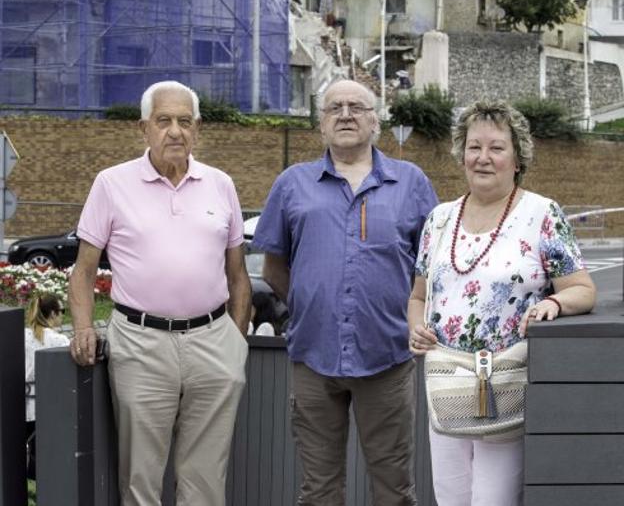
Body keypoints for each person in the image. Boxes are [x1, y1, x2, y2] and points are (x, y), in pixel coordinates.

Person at [253, 79, 438, 506]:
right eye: (334, 107)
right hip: (314, 356)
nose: (346, 114)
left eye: (357, 106)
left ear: (376, 121)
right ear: (321, 124)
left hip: (387, 356)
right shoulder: (292, 184)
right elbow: (275, 267)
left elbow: (431, 266)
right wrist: (312, 305)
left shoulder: (410, 182)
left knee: (394, 487)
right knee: (318, 489)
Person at [68, 80, 251, 506]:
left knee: (206, 478)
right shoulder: (111, 184)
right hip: (141, 342)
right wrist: (81, 330)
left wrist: (236, 344)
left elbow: (238, 274)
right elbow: (83, 271)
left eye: (185, 122)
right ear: (143, 128)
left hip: (213, 343)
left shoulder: (221, 184)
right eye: (163, 120)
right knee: (140, 476)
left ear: (198, 129)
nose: (175, 131)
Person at [408, 100, 596, 506]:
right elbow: (419, 295)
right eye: (474, 147)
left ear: (517, 158)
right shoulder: (438, 219)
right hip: (447, 384)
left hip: (508, 383)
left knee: (493, 501)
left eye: (496, 147)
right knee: (450, 499)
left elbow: (582, 288)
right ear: (461, 155)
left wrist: (557, 305)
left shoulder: (542, 214)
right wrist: (415, 327)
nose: (483, 158)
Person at [24, 293, 70, 479]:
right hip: (48, 407)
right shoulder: (58, 340)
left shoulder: (23, 335)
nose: (62, 316)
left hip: (23, 405)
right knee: (48, 458)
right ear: (52, 313)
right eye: (62, 311)